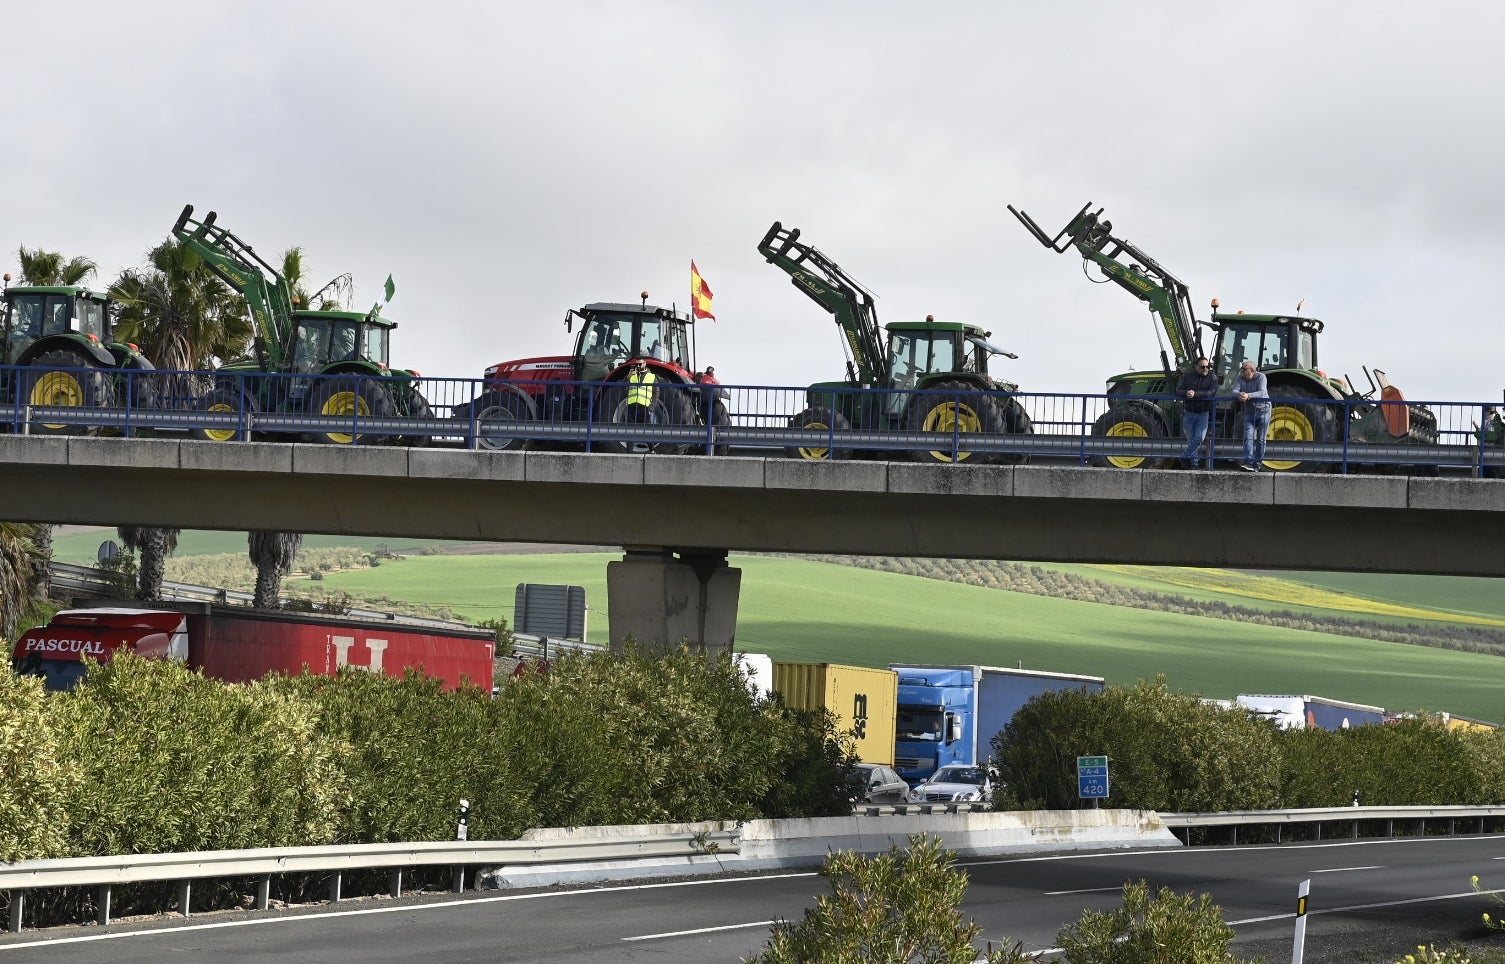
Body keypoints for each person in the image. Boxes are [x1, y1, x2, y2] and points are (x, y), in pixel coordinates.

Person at [1177, 357, 1218, 469]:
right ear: (1196, 366)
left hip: (1203, 413)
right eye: (1202, 367)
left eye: (1207, 366)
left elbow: (1211, 392)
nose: (1205, 369)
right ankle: (1194, 463)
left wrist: (1195, 394)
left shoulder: (1212, 377)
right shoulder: (1188, 376)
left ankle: (1185, 456)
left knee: (1199, 438)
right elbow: (1179, 390)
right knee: (1191, 440)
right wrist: (1187, 393)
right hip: (1189, 412)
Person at [1235, 360, 1271, 471]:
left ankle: (1257, 464)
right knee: (1248, 437)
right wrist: (1240, 394)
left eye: (1244, 368)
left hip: (1263, 411)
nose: (1241, 370)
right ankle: (1248, 462)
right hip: (1249, 412)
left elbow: (1262, 392)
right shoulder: (1240, 377)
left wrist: (1248, 396)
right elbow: (1234, 390)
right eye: (1242, 368)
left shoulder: (1261, 377)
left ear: (1252, 371)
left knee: (1261, 439)